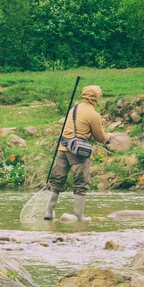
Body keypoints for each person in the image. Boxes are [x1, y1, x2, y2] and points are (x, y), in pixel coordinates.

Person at [44, 85, 114, 221]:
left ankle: (49, 212)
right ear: (96, 98)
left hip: (62, 148)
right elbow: (100, 137)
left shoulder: (73, 109)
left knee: (57, 181)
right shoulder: (94, 115)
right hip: (78, 151)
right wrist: (108, 137)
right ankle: (79, 216)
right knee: (81, 183)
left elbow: (77, 129)